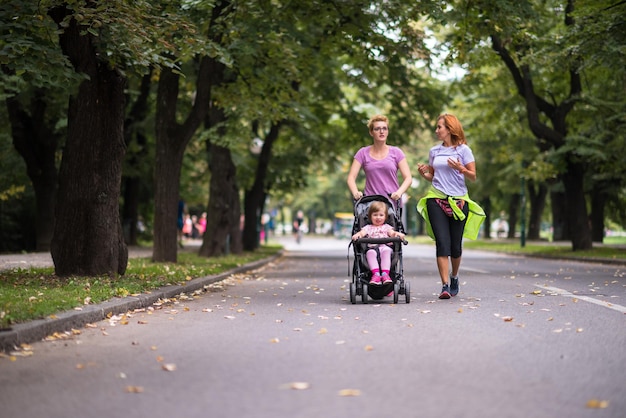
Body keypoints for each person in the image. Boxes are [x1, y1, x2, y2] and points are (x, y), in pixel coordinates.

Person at [416, 113, 486, 299]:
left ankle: (454, 277)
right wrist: (424, 174)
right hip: (436, 198)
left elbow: (472, 176)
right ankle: (445, 285)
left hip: (458, 201)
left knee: (455, 246)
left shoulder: (464, 150)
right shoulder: (434, 152)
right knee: (442, 243)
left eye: (440, 127)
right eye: (437, 127)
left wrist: (460, 169)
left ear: (450, 129)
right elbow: (434, 176)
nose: (437, 130)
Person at [347, 114, 412, 205]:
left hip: (391, 203)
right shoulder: (362, 153)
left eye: (384, 128)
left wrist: (399, 192)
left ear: (388, 131)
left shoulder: (396, 152)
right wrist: (355, 193)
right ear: (371, 132)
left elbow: (408, 178)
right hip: (370, 204)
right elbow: (351, 177)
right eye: (377, 129)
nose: (381, 131)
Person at [351, 201, 405, 286]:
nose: (378, 217)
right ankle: (376, 275)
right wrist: (357, 235)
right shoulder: (367, 228)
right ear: (370, 216)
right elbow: (361, 233)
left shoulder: (387, 227)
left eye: (381, 215)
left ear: (385, 217)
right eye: (375, 215)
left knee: (386, 250)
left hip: (385, 247)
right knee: (370, 253)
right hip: (372, 248)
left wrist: (398, 234)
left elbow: (393, 233)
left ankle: (385, 274)